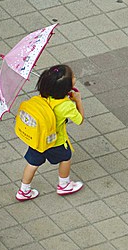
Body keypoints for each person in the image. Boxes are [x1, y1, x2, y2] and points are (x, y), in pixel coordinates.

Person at [16, 65, 85, 201]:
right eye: (72, 77)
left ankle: (24, 190)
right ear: (65, 87)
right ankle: (64, 185)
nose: (74, 78)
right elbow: (80, 120)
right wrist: (77, 100)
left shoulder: (44, 96)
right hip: (56, 141)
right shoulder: (66, 106)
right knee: (66, 158)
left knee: (33, 163)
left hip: (38, 139)